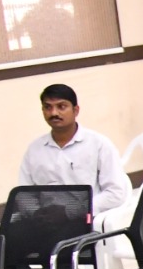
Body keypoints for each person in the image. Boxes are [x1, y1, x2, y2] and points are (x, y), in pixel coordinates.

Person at [17, 83, 130, 219]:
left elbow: (116, 193)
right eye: (48, 107)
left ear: (76, 110)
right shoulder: (35, 149)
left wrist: (70, 212)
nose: (54, 113)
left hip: (85, 219)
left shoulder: (98, 144)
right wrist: (37, 214)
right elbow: (24, 193)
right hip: (44, 221)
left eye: (61, 106)